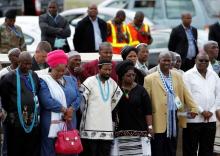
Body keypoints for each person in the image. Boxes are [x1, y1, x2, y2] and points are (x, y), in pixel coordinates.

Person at [144, 51, 198, 156]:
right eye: (164, 60)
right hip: (158, 119)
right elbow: (146, 103)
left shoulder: (177, 75)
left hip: (173, 118)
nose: (167, 62)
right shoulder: (149, 78)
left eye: (169, 60)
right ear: (158, 61)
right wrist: (149, 125)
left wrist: (194, 108)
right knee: (158, 151)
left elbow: (186, 93)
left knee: (172, 150)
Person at [38, 50, 81, 156]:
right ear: (51, 67)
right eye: (58, 71)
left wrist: (71, 109)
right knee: (50, 150)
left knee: (69, 147)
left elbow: (78, 97)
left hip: (69, 121)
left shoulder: (71, 80)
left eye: (63, 70)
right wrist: (64, 110)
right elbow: (47, 101)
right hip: (50, 124)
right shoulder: (44, 80)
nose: (61, 73)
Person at [0, 52, 40, 156]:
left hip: (32, 121)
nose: (28, 66)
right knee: (15, 149)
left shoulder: (34, 75)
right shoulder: (8, 77)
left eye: (30, 64)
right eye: (25, 64)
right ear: (19, 62)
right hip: (15, 122)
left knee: (31, 149)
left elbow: (36, 92)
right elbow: (4, 98)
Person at [80, 59, 122, 156]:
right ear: (99, 69)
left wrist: (106, 110)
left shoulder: (112, 83)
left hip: (106, 128)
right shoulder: (89, 81)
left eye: (110, 70)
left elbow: (116, 98)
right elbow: (82, 101)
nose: (108, 72)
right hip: (90, 127)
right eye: (105, 69)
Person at [111, 60, 152, 156]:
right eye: (128, 75)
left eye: (133, 75)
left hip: (140, 131)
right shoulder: (116, 90)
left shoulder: (141, 90)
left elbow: (148, 110)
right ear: (122, 76)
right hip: (120, 132)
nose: (132, 77)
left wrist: (150, 127)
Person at [182, 52, 220, 156]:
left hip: (210, 120)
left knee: (207, 150)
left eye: (206, 61)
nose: (203, 62)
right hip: (193, 119)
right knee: (190, 150)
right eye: (201, 60)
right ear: (195, 61)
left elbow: (218, 95)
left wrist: (211, 111)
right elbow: (188, 97)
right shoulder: (187, 75)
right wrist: (202, 111)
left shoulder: (214, 75)